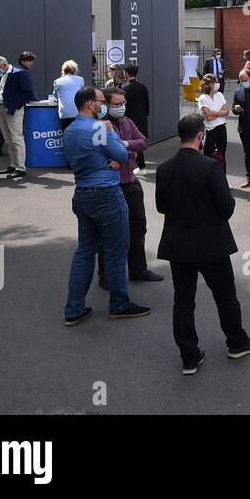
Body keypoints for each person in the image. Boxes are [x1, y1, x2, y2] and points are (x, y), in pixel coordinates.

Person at [155, 113, 250, 374]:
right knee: (225, 295)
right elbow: (226, 208)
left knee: (183, 301)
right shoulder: (210, 167)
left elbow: (161, 207)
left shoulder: (164, 168)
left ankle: (189, 356)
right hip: (211, 243)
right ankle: (237, 342)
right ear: (201, 136)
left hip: (178, 244)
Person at [61, 86, 150, 325]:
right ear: (90, 104)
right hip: (107, 194)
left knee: (84, 251)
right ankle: (119, 304)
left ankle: (74, 308)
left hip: (82, 193)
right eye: (101, 101)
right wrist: (112, 147)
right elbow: (121, 155)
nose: (103, 106)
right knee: (115, 250)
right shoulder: (100, 127)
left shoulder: (70, 130)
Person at [95, 87, 161, 286]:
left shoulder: (127, 121)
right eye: (116, 104)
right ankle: (106, 276)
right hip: (111, 186)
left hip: (131, 183)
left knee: (138, 227)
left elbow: (143, 143)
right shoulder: (99, 126)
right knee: (110, 234)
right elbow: (103, 154)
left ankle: (138, 269)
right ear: (105, 105)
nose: (121, 107)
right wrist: (127, 151)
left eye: (123, 103)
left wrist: (124, 146)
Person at [0, 51, 39, 180]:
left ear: (3, 65)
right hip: (0, 107)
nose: (31, 64)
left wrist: (15, 106)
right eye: (30, 61)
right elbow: (0, 89)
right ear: (23, 60)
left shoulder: (19, 72)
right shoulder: (6, 73)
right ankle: (13, 164)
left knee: (16, 137)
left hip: (12, 109)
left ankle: (20, 167)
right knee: (8, 138)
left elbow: (28, 92)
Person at [121, 64, 151, 175]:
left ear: (127, 73)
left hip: (129, 119)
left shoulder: (125, 88)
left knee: (129, 143)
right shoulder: (142, 87)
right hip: (142, 118)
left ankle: (139, 167)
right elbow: (146, 104)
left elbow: (123, 105)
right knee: (139, 142)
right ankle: (140, 167)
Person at [197, 75, 230, 166]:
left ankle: (222, 176)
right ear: (209, 84)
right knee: (209, 155)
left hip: (221, 128)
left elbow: (226, 111)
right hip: (210, 130)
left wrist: (214, 113)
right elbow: (208, 117)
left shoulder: (220, 95)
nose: (217, 84)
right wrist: (220, 113)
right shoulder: (203, 98)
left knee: (221, 154)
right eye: (215, 82)